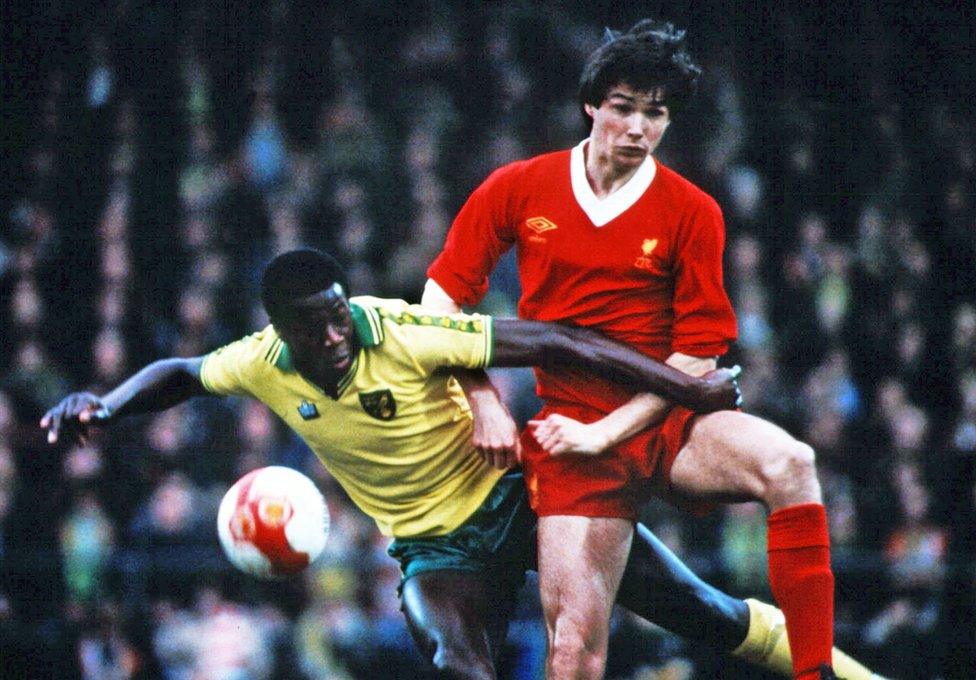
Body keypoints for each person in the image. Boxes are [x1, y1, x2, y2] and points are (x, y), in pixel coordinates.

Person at [42, 250, 880, 679]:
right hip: (433, 549)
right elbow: (184, 374)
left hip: (521, 498)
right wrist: (106, 405)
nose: (334, 336)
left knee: (699, 611)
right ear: (280, 329)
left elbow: (556, 341)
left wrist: (685, 390)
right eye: (314, 326)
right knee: (456, 662)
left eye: (338, 316)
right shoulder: (261, 360)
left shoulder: (400, 330)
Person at [425, 20, 850, 680]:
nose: (637, 128)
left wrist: (607, 433)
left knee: (791, 461)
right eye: (623, 108)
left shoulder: (692, 210)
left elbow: (698, 360)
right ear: (592, 104)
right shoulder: (518, 187)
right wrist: (482, 398)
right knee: (572, 653)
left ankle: (813, 670)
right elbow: (438, 306)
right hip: (568, 430)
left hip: (667, 419)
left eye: (655, 114)